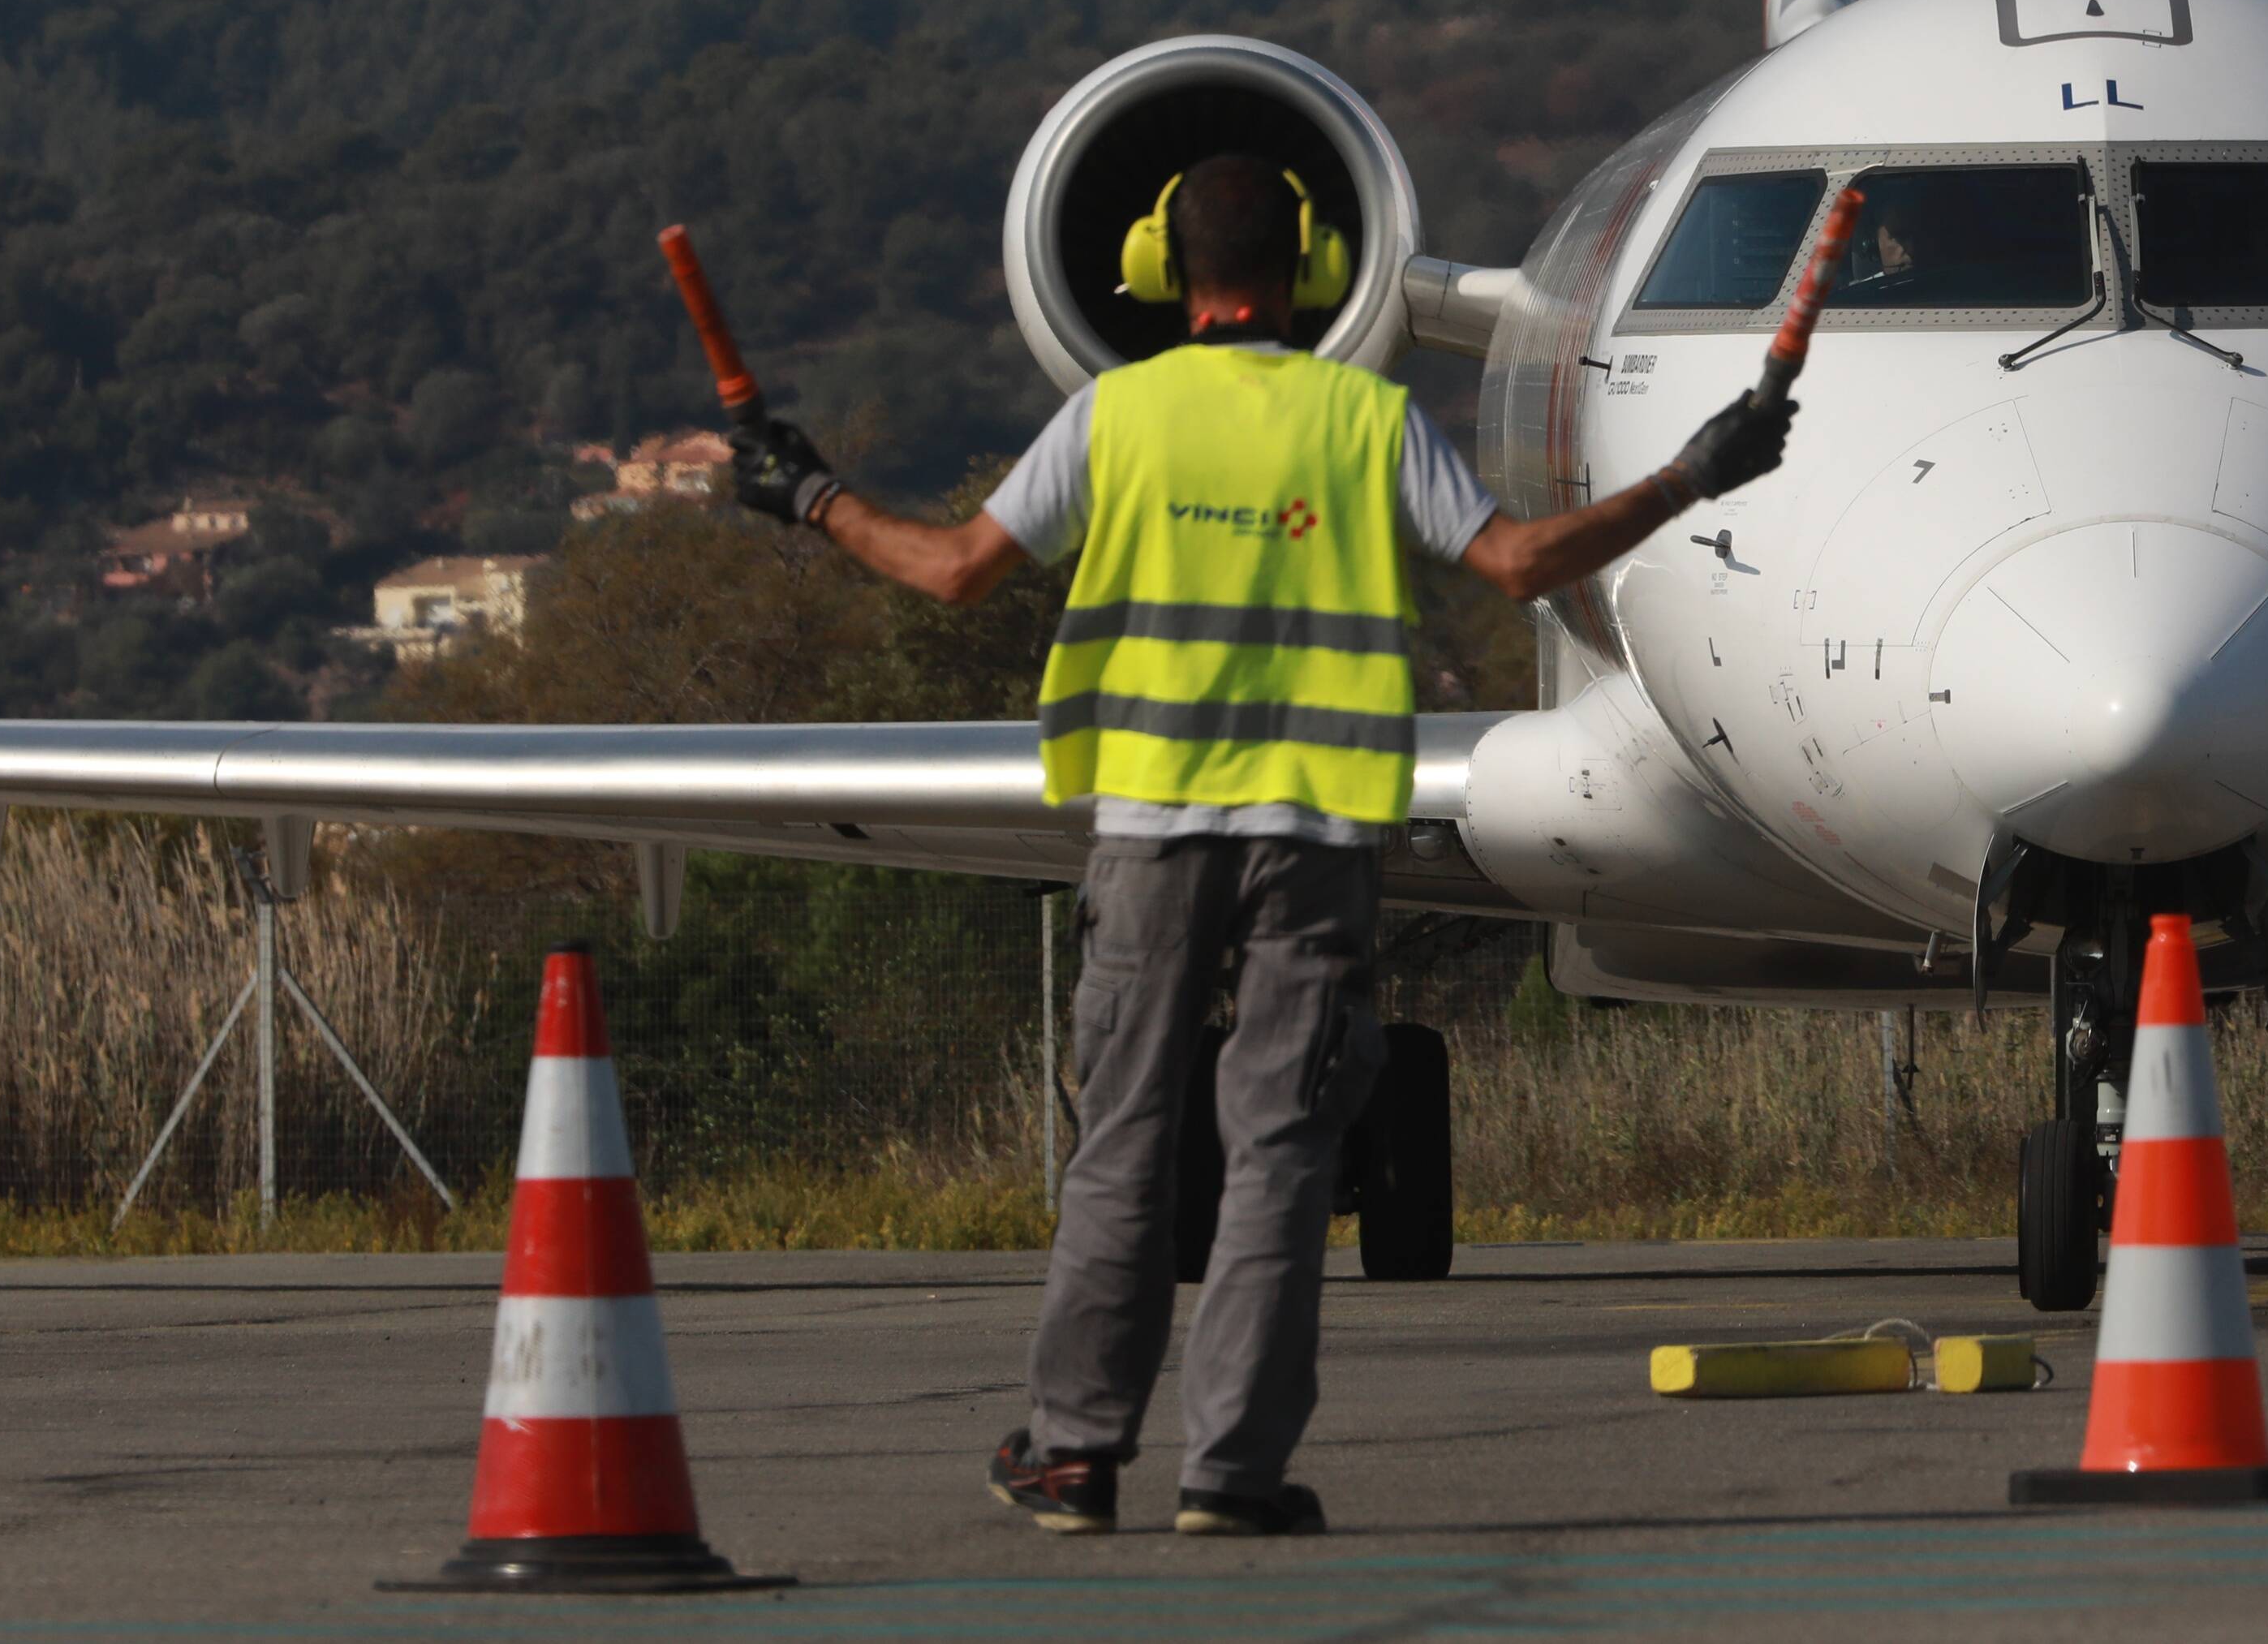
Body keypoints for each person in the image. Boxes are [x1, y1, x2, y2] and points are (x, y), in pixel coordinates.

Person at [726, 153, 1789, 1538]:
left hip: (1153, 832)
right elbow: (1523, 564)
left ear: (1166, 271)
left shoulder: (1116, 416)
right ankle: (1232, 1473)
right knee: (1283, 1148)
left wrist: (810, 495)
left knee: (1124, 1142)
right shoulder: (1364, 421)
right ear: (1315, 273)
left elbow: (954, 569)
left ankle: (1072, 1453)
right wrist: (1693, 472)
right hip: (1316, 831)